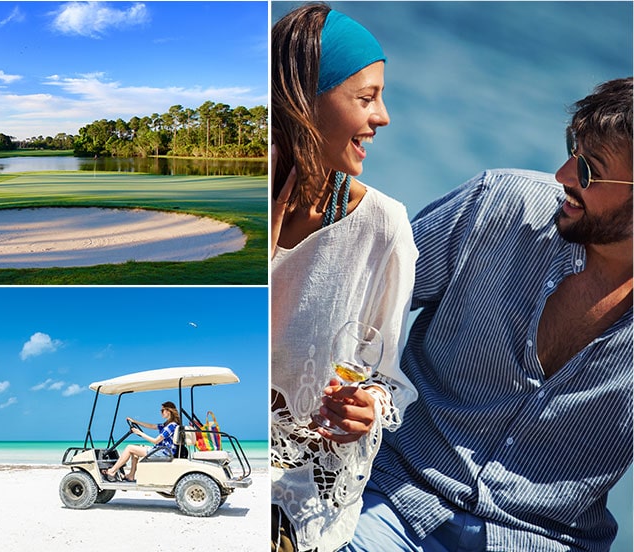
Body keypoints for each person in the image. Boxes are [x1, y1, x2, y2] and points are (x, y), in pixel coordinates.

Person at [340, 77, 633, 551]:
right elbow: (352, 307)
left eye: (589, 170)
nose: (562, 175)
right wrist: (368, 392)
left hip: (544, 540)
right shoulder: (495, 204)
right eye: (572, 151)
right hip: (392, 498)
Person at [271, 4, 418, 551]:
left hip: (301, 503)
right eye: (365, 97)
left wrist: (367, 408)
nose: (383, 117)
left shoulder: (384, 228)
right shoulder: (236, 216)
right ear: (302, 100)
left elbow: (386, 381)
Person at [102, 401, 180, 483]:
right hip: (161, 450)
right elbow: (152, 426)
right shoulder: (167, 424)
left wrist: (140, 433)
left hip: (163, 453)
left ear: (168, 411)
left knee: (129, 448)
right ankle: (131, 475)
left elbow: (156, 441)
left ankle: (112, 471)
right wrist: (135, 422)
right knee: (135, 449)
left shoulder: (171, 426)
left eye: (162, 410)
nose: (161, 413)